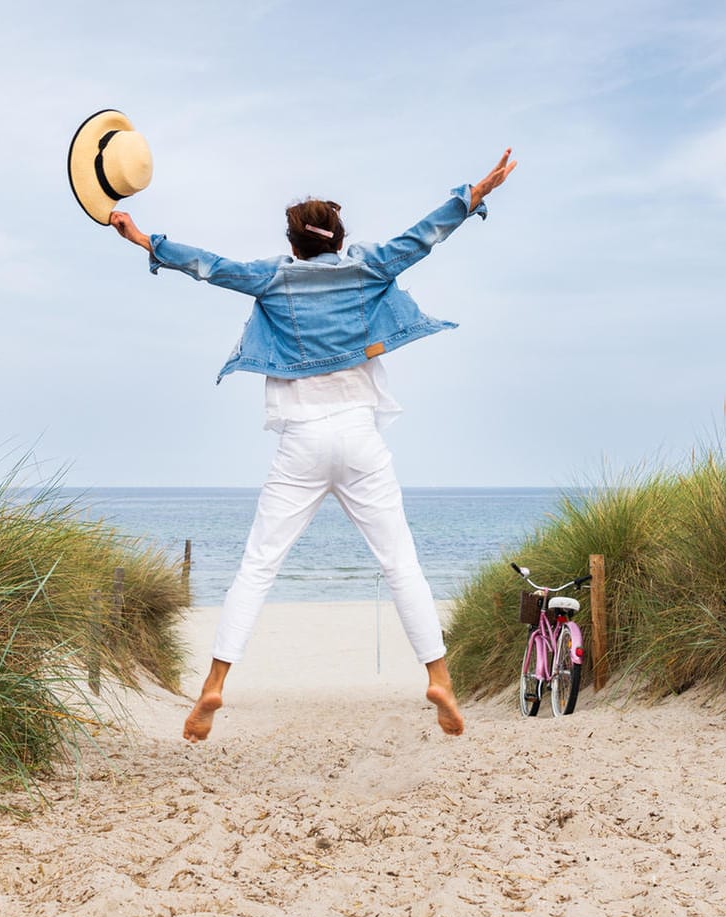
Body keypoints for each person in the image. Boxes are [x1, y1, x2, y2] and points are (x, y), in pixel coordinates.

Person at [108, 149, 518, 741]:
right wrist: (476, 192)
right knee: (401, 563)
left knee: (257, 566)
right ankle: (440, 681)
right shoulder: (369, 267)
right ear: (338, 239)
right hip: (359, 437)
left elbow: (208, 265)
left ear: (295, 244)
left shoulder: (273, 278)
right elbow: (423, 236)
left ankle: (214, 686)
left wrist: (142, 237)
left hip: (300, 441)